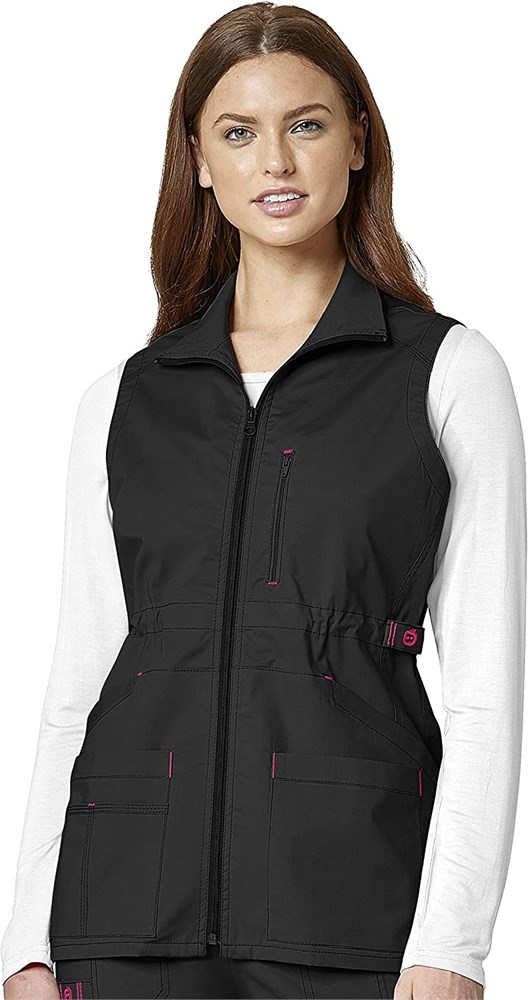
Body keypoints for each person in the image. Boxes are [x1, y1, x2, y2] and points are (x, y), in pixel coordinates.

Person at [2, 4, 525, 1000]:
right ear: (198, 160)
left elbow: (486, 688)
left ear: (358, 140)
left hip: (348, 909)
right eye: (238, 132)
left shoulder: (447, 374)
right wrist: (26, 939)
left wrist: (453, 944)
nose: (275, 160)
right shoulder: (124, 398)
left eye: (307, 124)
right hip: (122, 915)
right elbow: (79, 679)